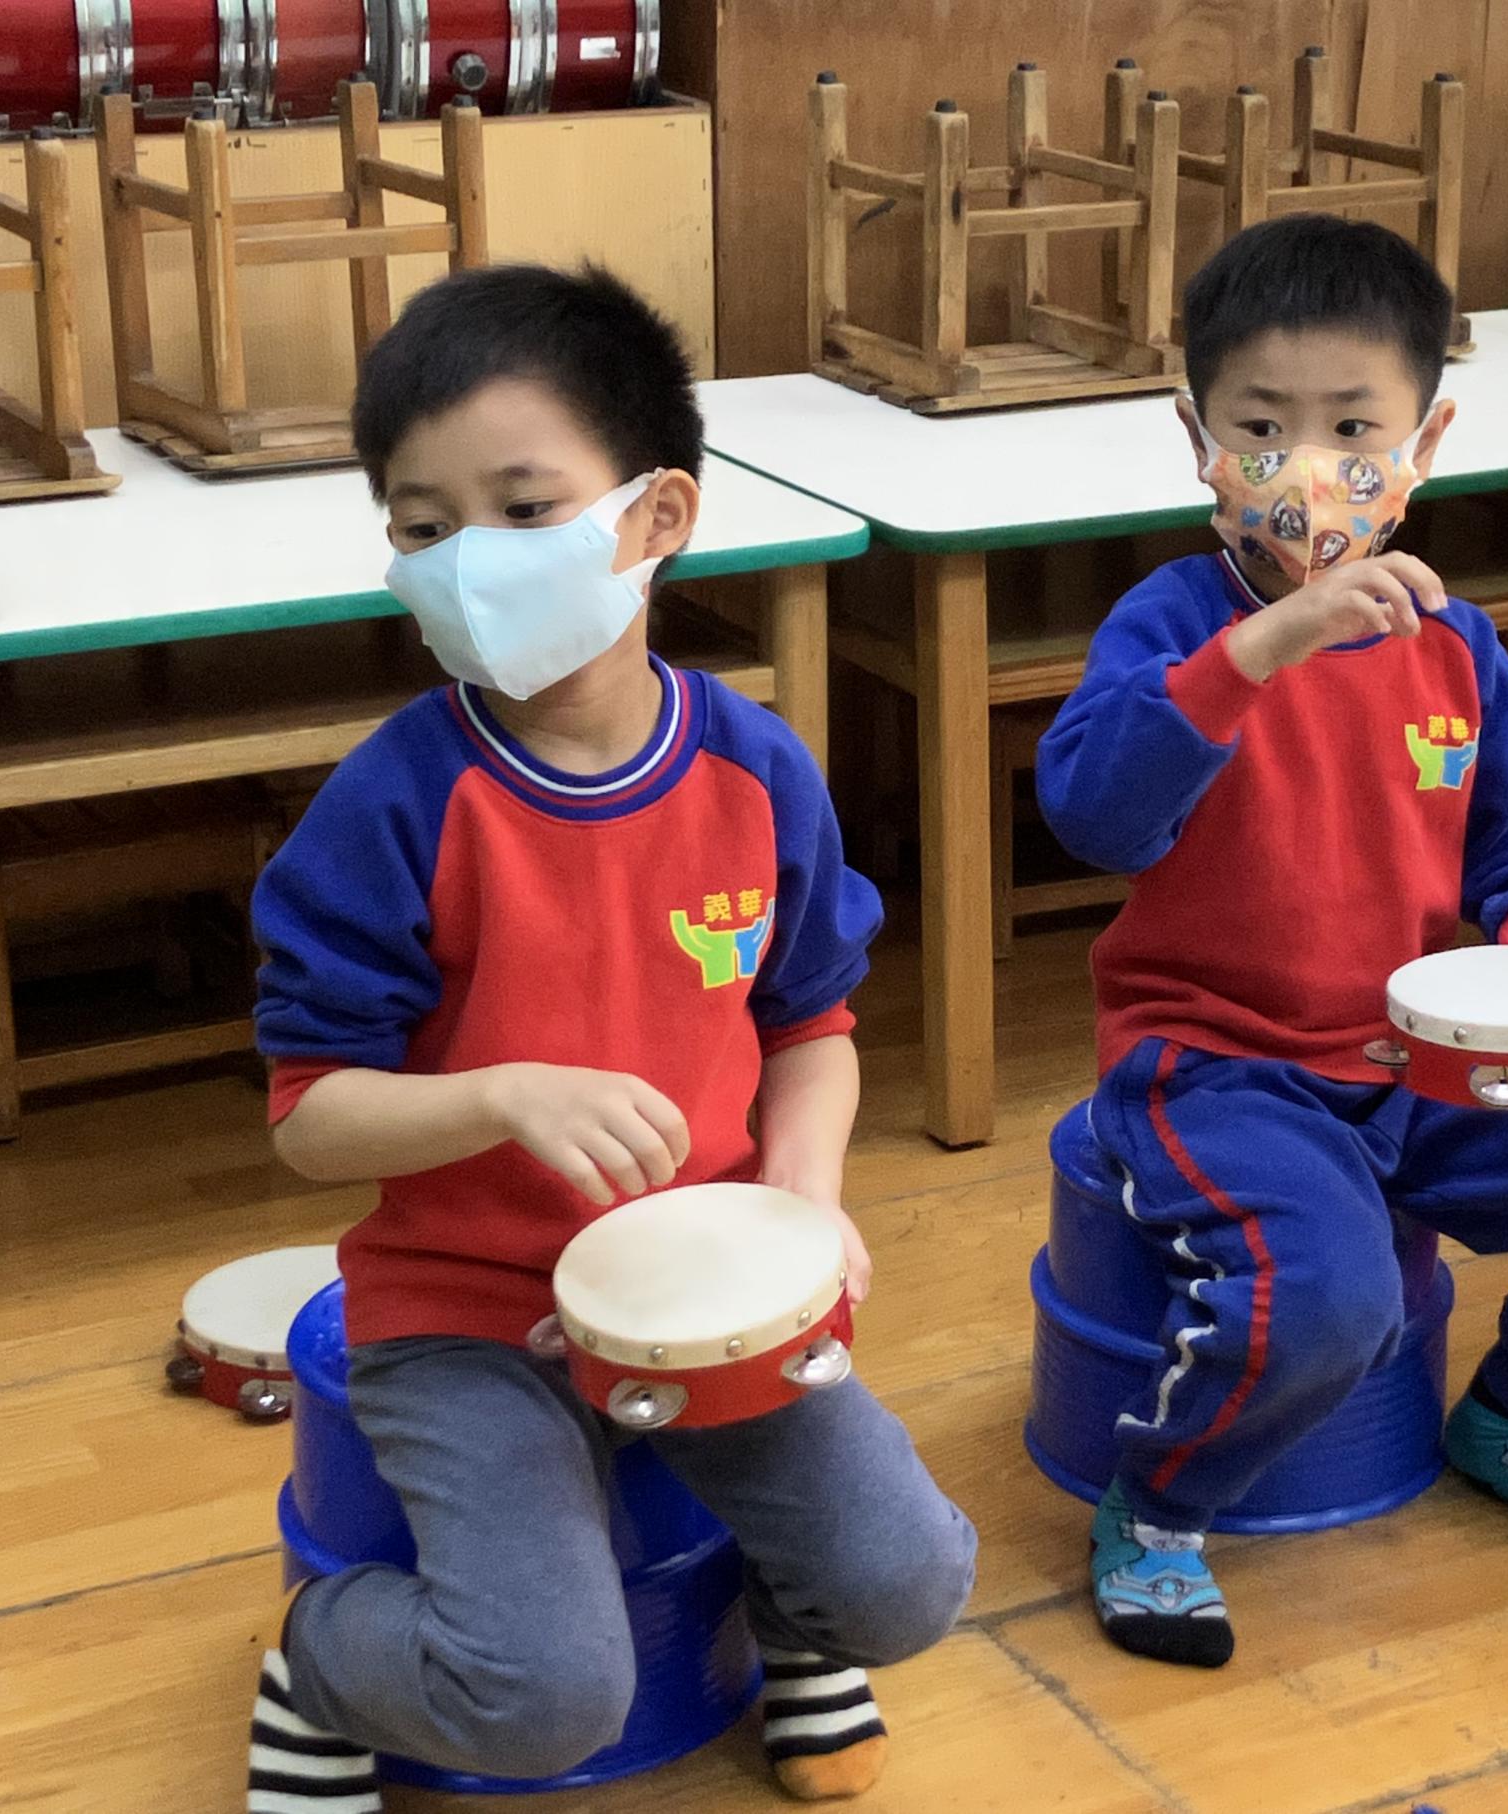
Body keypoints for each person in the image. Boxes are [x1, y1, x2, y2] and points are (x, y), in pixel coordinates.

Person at [243, 265, 973, 1809]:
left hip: (705, 1294)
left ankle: (791, 1618)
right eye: (422, 527)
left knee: (911, 1581)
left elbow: (812, 1023)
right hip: (464, 1314)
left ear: (655, 516)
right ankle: (317, 1659)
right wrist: (496, 1096)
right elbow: (310, 1116)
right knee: (546, 1698)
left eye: (523, 508)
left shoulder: (754, 769)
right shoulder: (395, 803)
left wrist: (803, 1198)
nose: (466, 561)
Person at [1036, 214, 1508, 1670]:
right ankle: (1156, 1506)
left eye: (1353, 429)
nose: (1308, 467)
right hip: (1214, 1062)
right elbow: (1093, 813)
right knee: (1332, 1298)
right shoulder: (1167, 625)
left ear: (1425, 442)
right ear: (1198, 441)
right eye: (1261, 428)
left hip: (1422, 1057)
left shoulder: (1453, 644)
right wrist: (1260, 649)